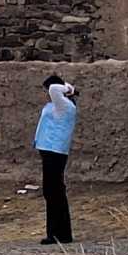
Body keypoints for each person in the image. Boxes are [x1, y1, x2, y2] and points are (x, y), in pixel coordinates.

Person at [34, 75, 79, 245]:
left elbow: (54, 89)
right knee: (52, 192)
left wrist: (69, 87)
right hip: (50, 150)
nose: (46, 93)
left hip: (55, 151)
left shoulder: (64, 105)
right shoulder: (58, 105)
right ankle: (58, 232)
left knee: (54, 192)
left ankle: (58, 234)